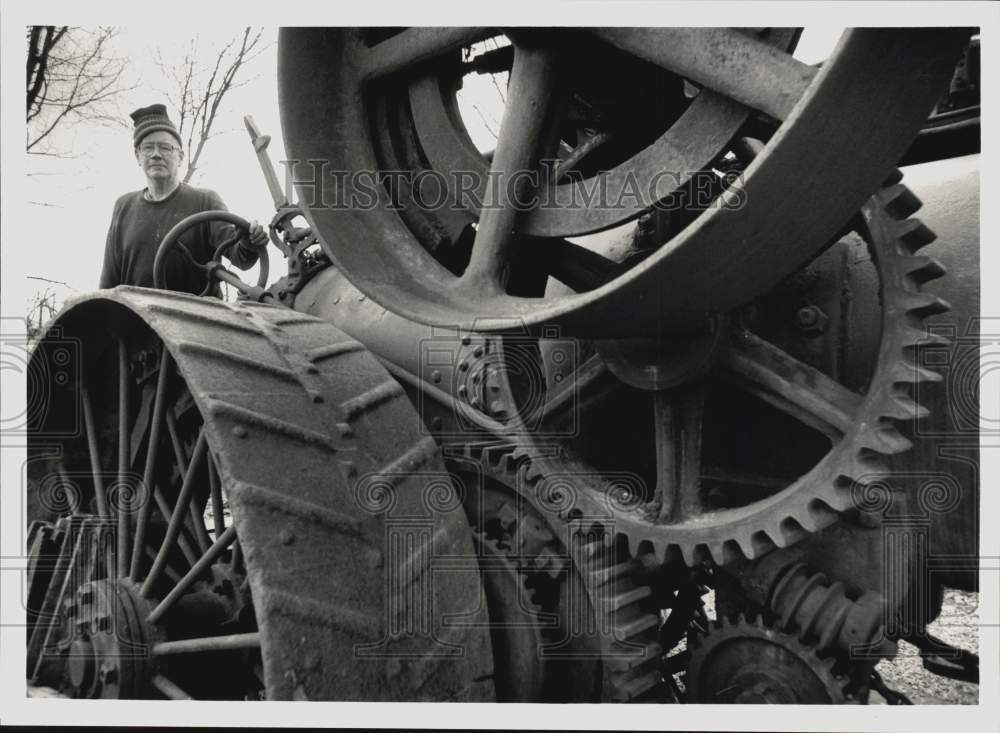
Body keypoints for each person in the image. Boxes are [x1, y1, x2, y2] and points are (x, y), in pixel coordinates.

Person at [99, 104, 268, 295]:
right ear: (138, 156)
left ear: (180, 156)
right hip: (137, 318)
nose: (156, 154)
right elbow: (109, 280)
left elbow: (241, 258)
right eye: (148, 148)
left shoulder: (205, 201)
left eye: (165, 147)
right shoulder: (124, 206)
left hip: (196, 318)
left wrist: (249, 240)